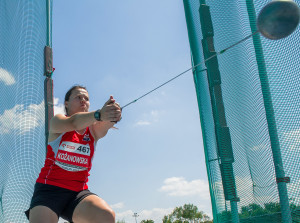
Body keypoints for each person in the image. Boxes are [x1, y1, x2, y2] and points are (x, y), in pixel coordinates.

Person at [25, 85, 122, 223]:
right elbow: (75, 122)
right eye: (78, 97)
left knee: (106, 215)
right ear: (66, 103)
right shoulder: (58, 121)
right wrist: (99, 114)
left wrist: (113, 113)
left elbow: (105, 123)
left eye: (86, 98)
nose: (83, 100)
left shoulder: (94, 130)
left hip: (78, 193)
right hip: (49, 190)